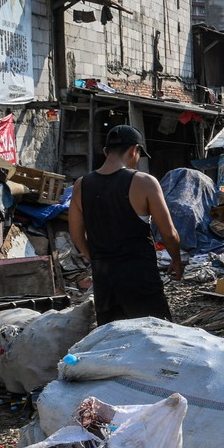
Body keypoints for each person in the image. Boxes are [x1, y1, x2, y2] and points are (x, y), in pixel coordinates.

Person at [69, 125, 183, 325]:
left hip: (105, 284)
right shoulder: (145, 182)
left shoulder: (81, 185)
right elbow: (170, 234)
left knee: (114, 341)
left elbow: (77, 236)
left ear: (106, 152)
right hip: (140, 280)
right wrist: (176, 261)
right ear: (134, 150)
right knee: (154, 337)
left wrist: (98, 258)